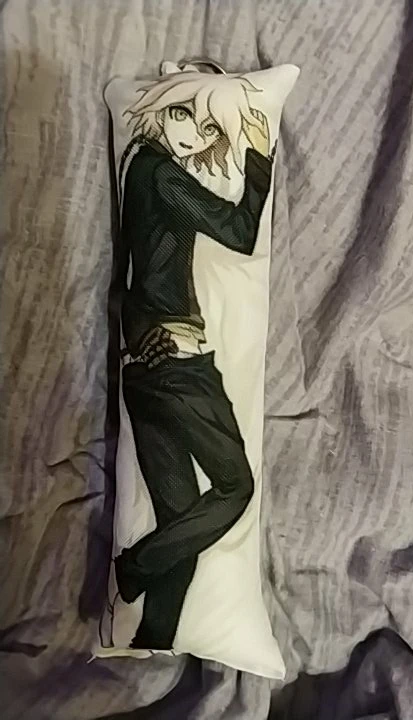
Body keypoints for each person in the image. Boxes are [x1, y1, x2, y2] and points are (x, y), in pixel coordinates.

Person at [114, 71, 275, 649]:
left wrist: (134, 335)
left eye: (210, 129)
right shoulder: (161, 174)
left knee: (180, 530)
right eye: (184, 115)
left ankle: (149, 645)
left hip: (144, 368)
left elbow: (132, 270)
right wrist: (259, 156)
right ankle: (132, 567)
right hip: (177, 365)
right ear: (162, 107)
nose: (194, 136)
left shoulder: (137, 166)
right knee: (235, 488)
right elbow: (240, 230)